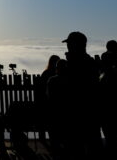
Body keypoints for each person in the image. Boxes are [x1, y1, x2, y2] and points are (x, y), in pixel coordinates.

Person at [61, 31, 101, 159]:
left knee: (77, 148)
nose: (67, 47)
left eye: (69, 44)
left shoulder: (76, 64)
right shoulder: (89, 62)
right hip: (89, 113)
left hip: (78, 114)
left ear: (74, 45)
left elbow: (72, 89)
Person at [46, 59, 70, 158]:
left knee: (55, 139)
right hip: (67, 114)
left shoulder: (52, 80)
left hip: (54, 113)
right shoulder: (70, 81)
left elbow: (49, 96)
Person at [35, 55, 60, 142]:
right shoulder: (56, 75)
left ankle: (44, 138)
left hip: (44, 103)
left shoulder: (46, 73)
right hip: (52, 104)